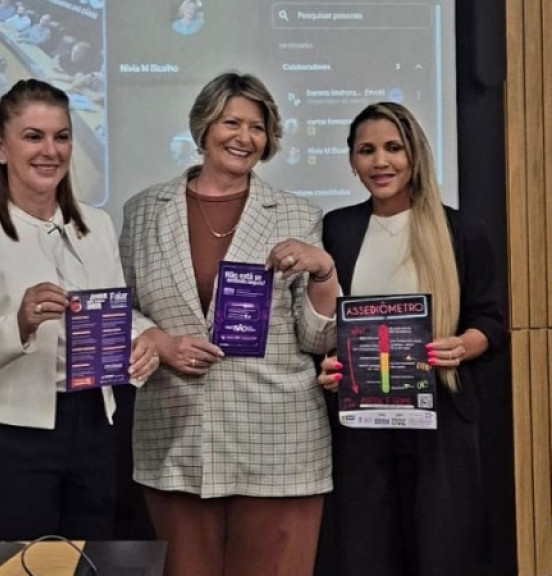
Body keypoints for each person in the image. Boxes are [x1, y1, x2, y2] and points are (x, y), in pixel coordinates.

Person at [119, 71, 340, 576]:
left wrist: (324, 270)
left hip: (278, 443)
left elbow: (318, 337)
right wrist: (158, 341)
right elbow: (123, 306)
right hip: (175, 438)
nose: (244, 137)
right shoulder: (143, 211)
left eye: (257, 127)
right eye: (231, 122)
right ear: (203, 126)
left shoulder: (297, 214)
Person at [0, 79, 160, 540]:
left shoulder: (97, 225)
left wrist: (141, 342)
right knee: (18, 566)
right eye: (33, 136)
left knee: (87, 562)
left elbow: (115, 315)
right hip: (5, 435)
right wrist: (18, 326)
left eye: (61, 137)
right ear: (1, 147)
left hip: (94, 426)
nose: (50, 150)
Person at [314, 102, 507, 576]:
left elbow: (490, 320)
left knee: (442, 553)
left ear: (414, 154)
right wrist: (329, 361)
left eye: (393, 148)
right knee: (364, 553)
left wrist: (464, 345)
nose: (380, 162)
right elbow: (322, 322)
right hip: (360, 422)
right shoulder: (336, 228)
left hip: (440, 417)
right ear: (352, 161)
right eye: (367, 151)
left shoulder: (462, 230)